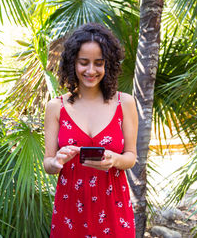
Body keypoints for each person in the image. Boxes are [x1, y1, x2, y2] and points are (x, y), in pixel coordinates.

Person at [43, 23, 138, 237]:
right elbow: (48, 163)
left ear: (109, 65)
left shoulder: (125, 103)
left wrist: (114, 159)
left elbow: (131, 157)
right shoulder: (56, 107)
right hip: (70, 211)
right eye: (84, 63)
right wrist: (57, 161)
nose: (91, 71)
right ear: (72, 63)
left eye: (99, 63)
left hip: (114, 209)